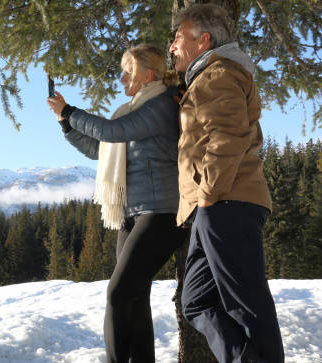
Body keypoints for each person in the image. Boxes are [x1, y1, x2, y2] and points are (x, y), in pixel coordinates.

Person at [47, 44, 187, 363]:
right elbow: (101, 149)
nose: (122, 79)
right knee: (135, 298)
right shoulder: (134, 110)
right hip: (131, 215)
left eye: (128, 72)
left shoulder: (162, 106)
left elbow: (112, 132)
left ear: (148, 75)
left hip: (162, 213)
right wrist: (65, 123)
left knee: (118, 293)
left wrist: (71, 111)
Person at [169, 4, 284, 363]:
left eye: (177, 38)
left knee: (246, 307)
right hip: (217, 205)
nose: (171, 46)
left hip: (226, 202)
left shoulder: (219, 74)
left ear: (203, 40)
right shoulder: (206, 78)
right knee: (195, 301)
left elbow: (228, 135)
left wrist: (208, 196)